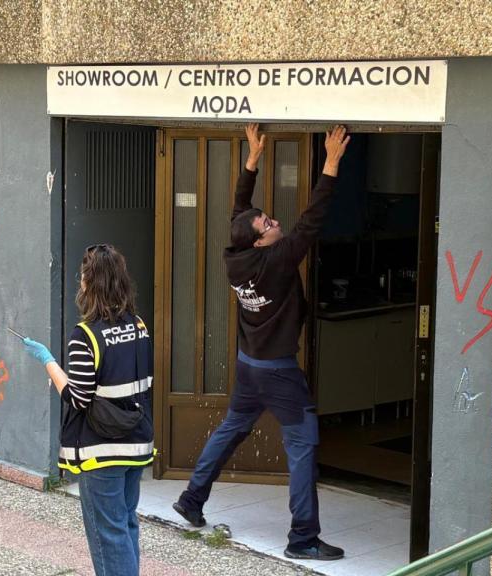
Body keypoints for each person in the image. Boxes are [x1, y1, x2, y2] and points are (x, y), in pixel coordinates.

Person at [172, 123, 351, 561]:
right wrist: (330, 162)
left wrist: (252, 159)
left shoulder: (236, 256)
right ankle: (303, 538)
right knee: (303, 444)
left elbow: (239, 208)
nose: (274, 221)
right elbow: (312, 221)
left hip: (249, 362)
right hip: (277, 370)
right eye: (268, 223)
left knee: (232, 427)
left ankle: (192, 499)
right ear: (262, 239)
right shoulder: (277, 260)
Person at [22, 244, 153, 576]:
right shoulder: (138, 325)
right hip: (137, 442)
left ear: (88, 283)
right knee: (125, 524)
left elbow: (78, 398)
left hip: (102, 451)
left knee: (108, 535)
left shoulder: (85, 335)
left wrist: (49, 362)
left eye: (82, 276)